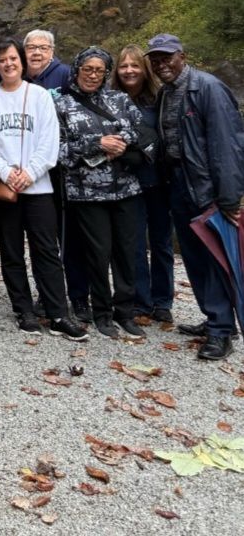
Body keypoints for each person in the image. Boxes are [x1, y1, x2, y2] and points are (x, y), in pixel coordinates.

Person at [0, 38, 88, 340]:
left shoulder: (38, 96)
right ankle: (23, 309)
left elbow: (49, 140)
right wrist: (6, 172)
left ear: (22, 62)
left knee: (47, 251)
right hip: (4, 188)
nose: (8, 64)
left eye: (13, 58)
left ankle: (58, 314)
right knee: (11, 251)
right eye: (2, 60)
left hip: (37, 189)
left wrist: (32, 172)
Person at [146, 33, 244, 361]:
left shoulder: (207, 88)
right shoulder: (166, 93)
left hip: (206, 189)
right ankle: (214, 318)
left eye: (167, 57)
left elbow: (227, 144)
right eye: (156, 60)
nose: (161, 64)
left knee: (215, 260)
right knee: (194, 258)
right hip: (178, 186)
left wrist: (229, 196)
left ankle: (221, 332)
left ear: (182, 56)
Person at [55, 47, 149, 342]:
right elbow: (57, 150)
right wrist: (97, 143)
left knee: (126, 252)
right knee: (97, 254)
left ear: (107, 73)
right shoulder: (61, 104)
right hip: (86, 193)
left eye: (99, 70)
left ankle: (125, 311)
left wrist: (120, 142)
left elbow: (143, 131)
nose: (93, 75)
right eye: (88, 69)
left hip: (126, 189)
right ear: (77, 69)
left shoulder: (119, 99)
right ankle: (102, 312)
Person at [24, 28, 89, 323]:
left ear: (52, 50)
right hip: (30, 171)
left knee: (68, 236)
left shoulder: (64, 75)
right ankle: (48, 293)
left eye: (42, 47)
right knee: (43, 237)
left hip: (64, 169)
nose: (36, 53)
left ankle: (77, 296)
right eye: (31, 48)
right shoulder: (20, 78)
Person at [110, 45, 173, 324]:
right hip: (128, 183)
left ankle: (163, 301)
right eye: (123, 66)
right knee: (133, 244)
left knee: (161, 243)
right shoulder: (111, 100)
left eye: (134, 65)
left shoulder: (159, 99)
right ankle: (140, 300)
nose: (129, 71)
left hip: (159, 182)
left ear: (144, 69)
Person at [23, 29, 70, 94]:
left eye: (43, 48)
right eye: (31, 47)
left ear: (51, 52)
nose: (37, 52)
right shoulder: (16, 74)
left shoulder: (66, 74)